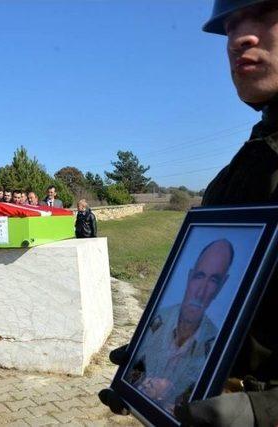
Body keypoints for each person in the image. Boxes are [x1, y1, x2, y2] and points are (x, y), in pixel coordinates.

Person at [102, 3, 278, 423]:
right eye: (230, 26)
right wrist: (151, 361)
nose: (239, 38)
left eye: (264, 13)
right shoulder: (243, 166)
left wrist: (262, 411)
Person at [126, 239, 233, 413]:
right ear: (190, 276)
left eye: (213, 280)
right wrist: (130, 386)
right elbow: (134, 373)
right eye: (199, 276)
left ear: (221, 287)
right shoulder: (156, 319)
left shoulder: (217, 343)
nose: (201, 292)